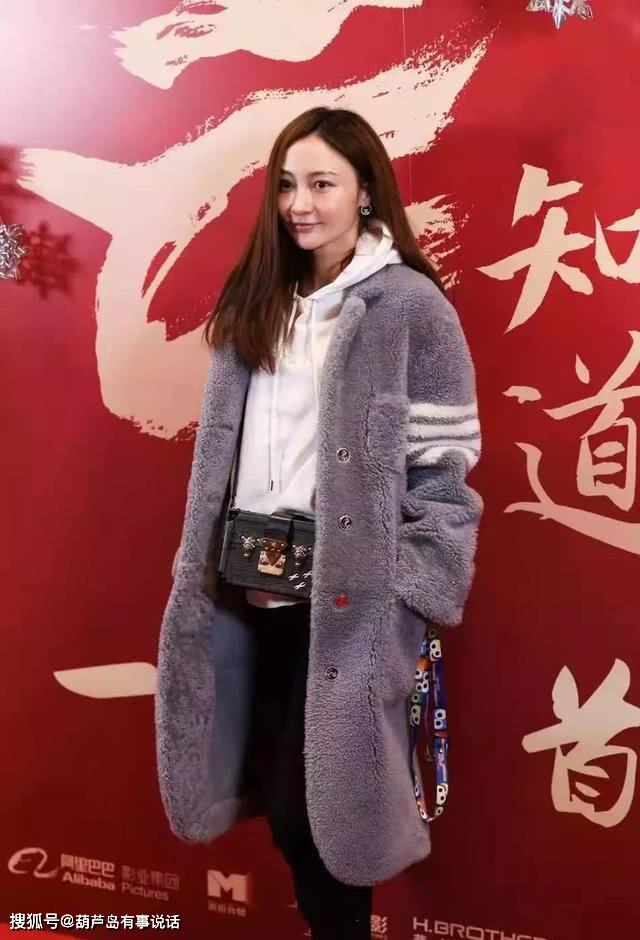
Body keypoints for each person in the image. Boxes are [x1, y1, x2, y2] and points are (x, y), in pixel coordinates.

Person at [155, 107, 483, 940]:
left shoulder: (409, 308)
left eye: (322, 184)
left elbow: (445, 469)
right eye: (286, 185)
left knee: (319, 817)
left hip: (346, 606)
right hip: (243, 592)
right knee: (275, 798)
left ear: (366, 191)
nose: (299, 204)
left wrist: (407, 586)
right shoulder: (259, 297)